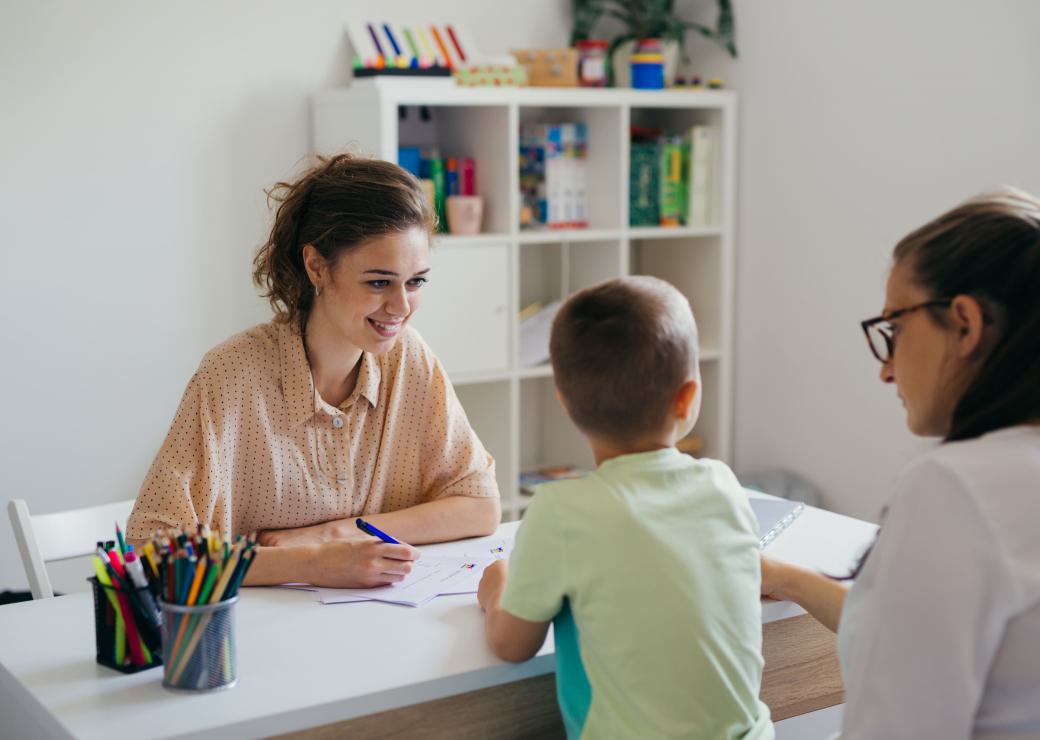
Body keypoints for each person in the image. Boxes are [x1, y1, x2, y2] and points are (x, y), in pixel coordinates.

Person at [127, 154, 501, 587]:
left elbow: (479, 504)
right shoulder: (231, 374)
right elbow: (152, 555)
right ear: (316, 267)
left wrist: (336, 533)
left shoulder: (409, 359)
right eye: (379, 282)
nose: (401, 307)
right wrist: (313, 564)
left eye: (416, 281)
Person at [761, 188, 1040, 739]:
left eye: (894, 330)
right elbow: (919, 633)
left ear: (964, 324)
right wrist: (787, 579)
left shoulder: (957, 489)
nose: (885, 371)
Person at [477, 276, 773, 739]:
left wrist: (497, 584)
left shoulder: (560, 512)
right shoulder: (724, 485)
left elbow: (512, 644)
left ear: (564, 402)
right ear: (688, 397)